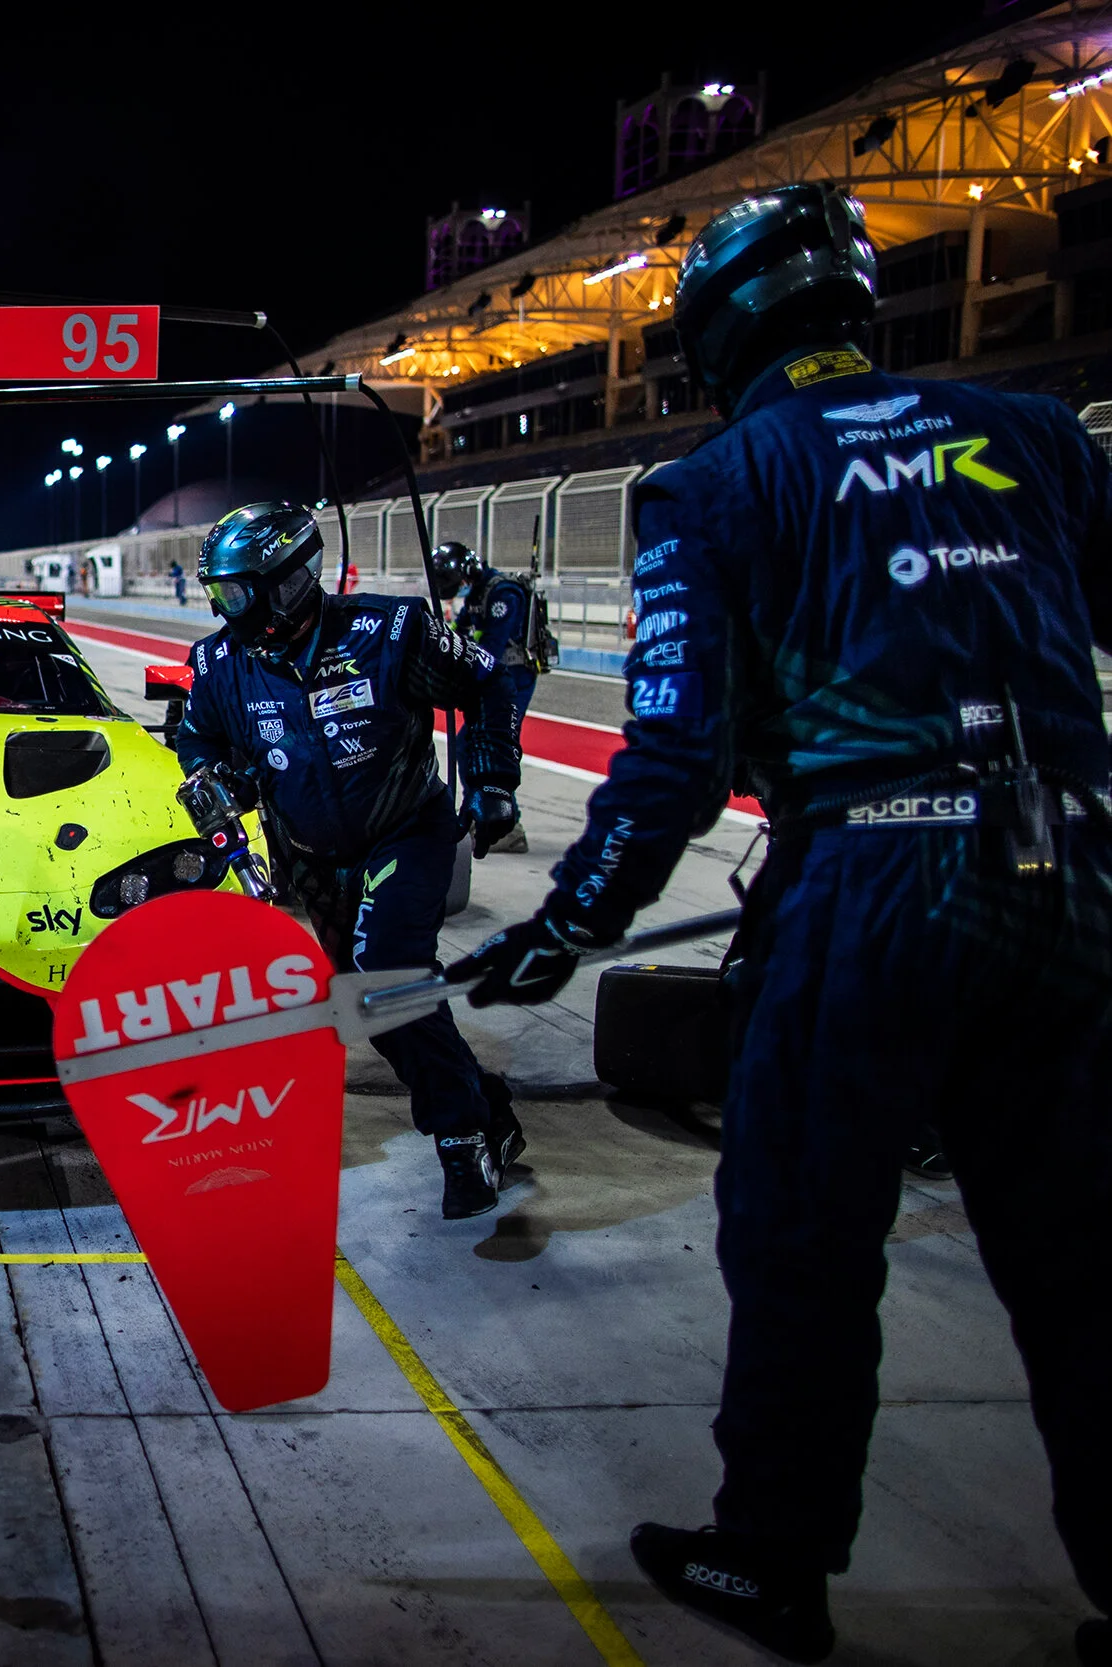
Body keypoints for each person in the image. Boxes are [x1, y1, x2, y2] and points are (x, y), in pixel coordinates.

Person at [450, 183, 1112, 1666]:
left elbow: (679, 760)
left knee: (806, 1237)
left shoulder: (718, 484)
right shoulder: (1046, 436)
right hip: (1062, 870)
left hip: (873, 882)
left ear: (713, 334)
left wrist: (567, 919)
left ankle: (775, 1559)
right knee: (1081, 1260)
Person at [174, 502, 524, 1219]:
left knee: (388, 972)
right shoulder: (218, 663)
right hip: (308, 858)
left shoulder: (391, 631)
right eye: (218, 594)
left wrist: (492, 781)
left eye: (237, 592)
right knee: (371, 1006)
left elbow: (487, 680)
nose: (224, 608)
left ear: (292, 579)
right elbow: (199, 738)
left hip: (407, 832)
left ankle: (461, 1140)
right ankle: (486, 1108)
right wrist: (214, 782)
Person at [427, 538, 542, 854]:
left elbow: (489, 648)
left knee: (492, 745)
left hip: (513, 680)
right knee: (469, 744)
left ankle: (508, 824)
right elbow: (459, 636)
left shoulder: (504, 593)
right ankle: (489, 811)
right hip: (492, 681)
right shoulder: (479, 593)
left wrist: (460, 676)